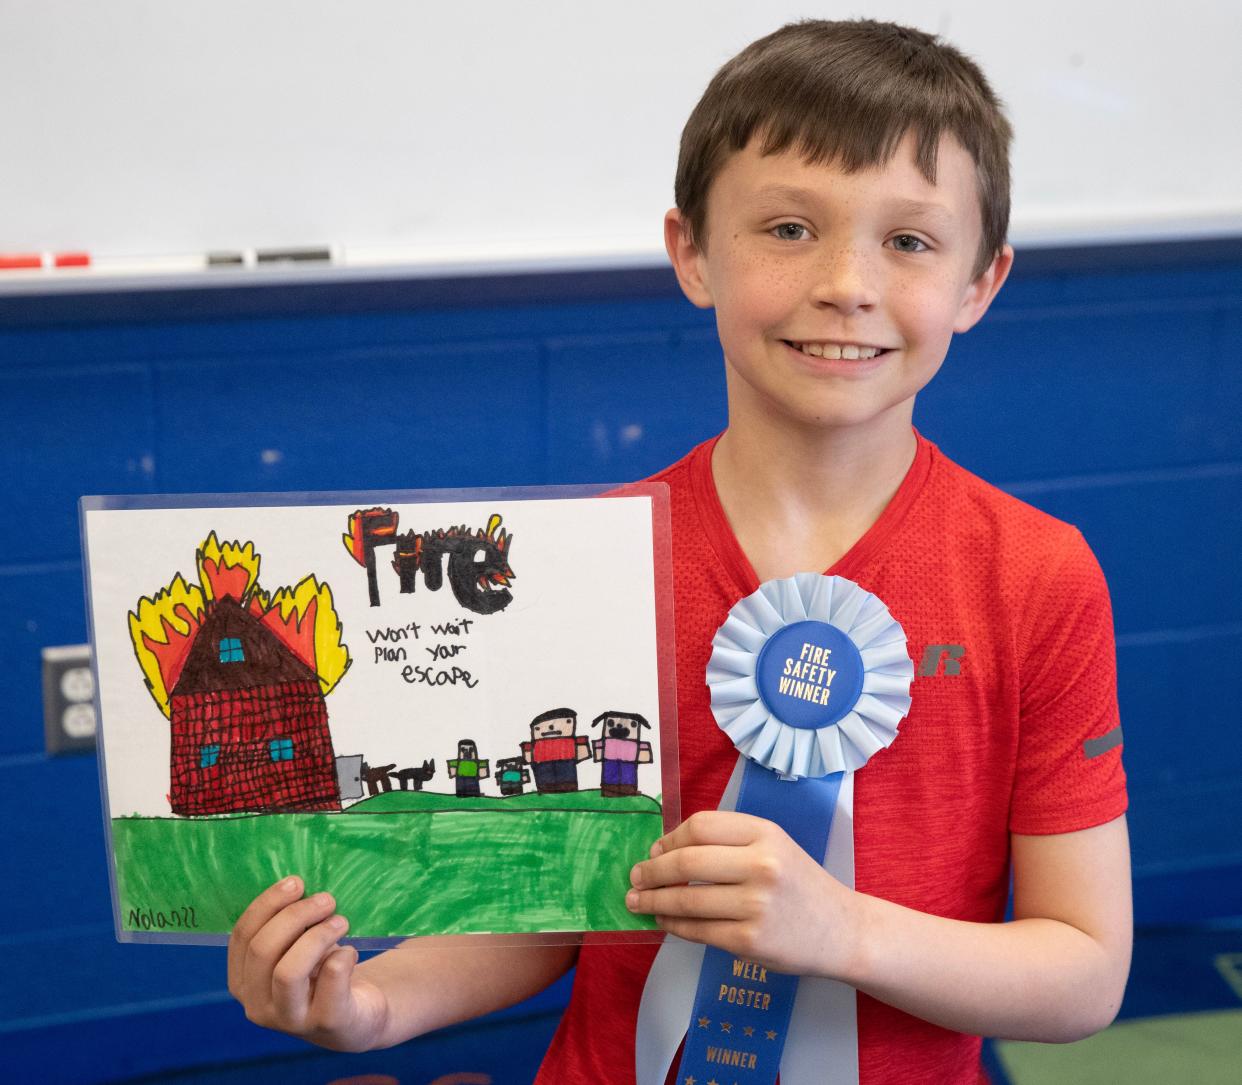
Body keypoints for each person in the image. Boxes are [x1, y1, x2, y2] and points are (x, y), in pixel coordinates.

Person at [226, 19, 1130, 1083]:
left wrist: (840, 928)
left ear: (981, 282)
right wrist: (372, 1003)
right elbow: (547, 917)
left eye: (910, 240)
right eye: (788, 228)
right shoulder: (585, 566)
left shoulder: (1037, 574)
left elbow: (1083, 970)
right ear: (692, 252)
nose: (847, 281)